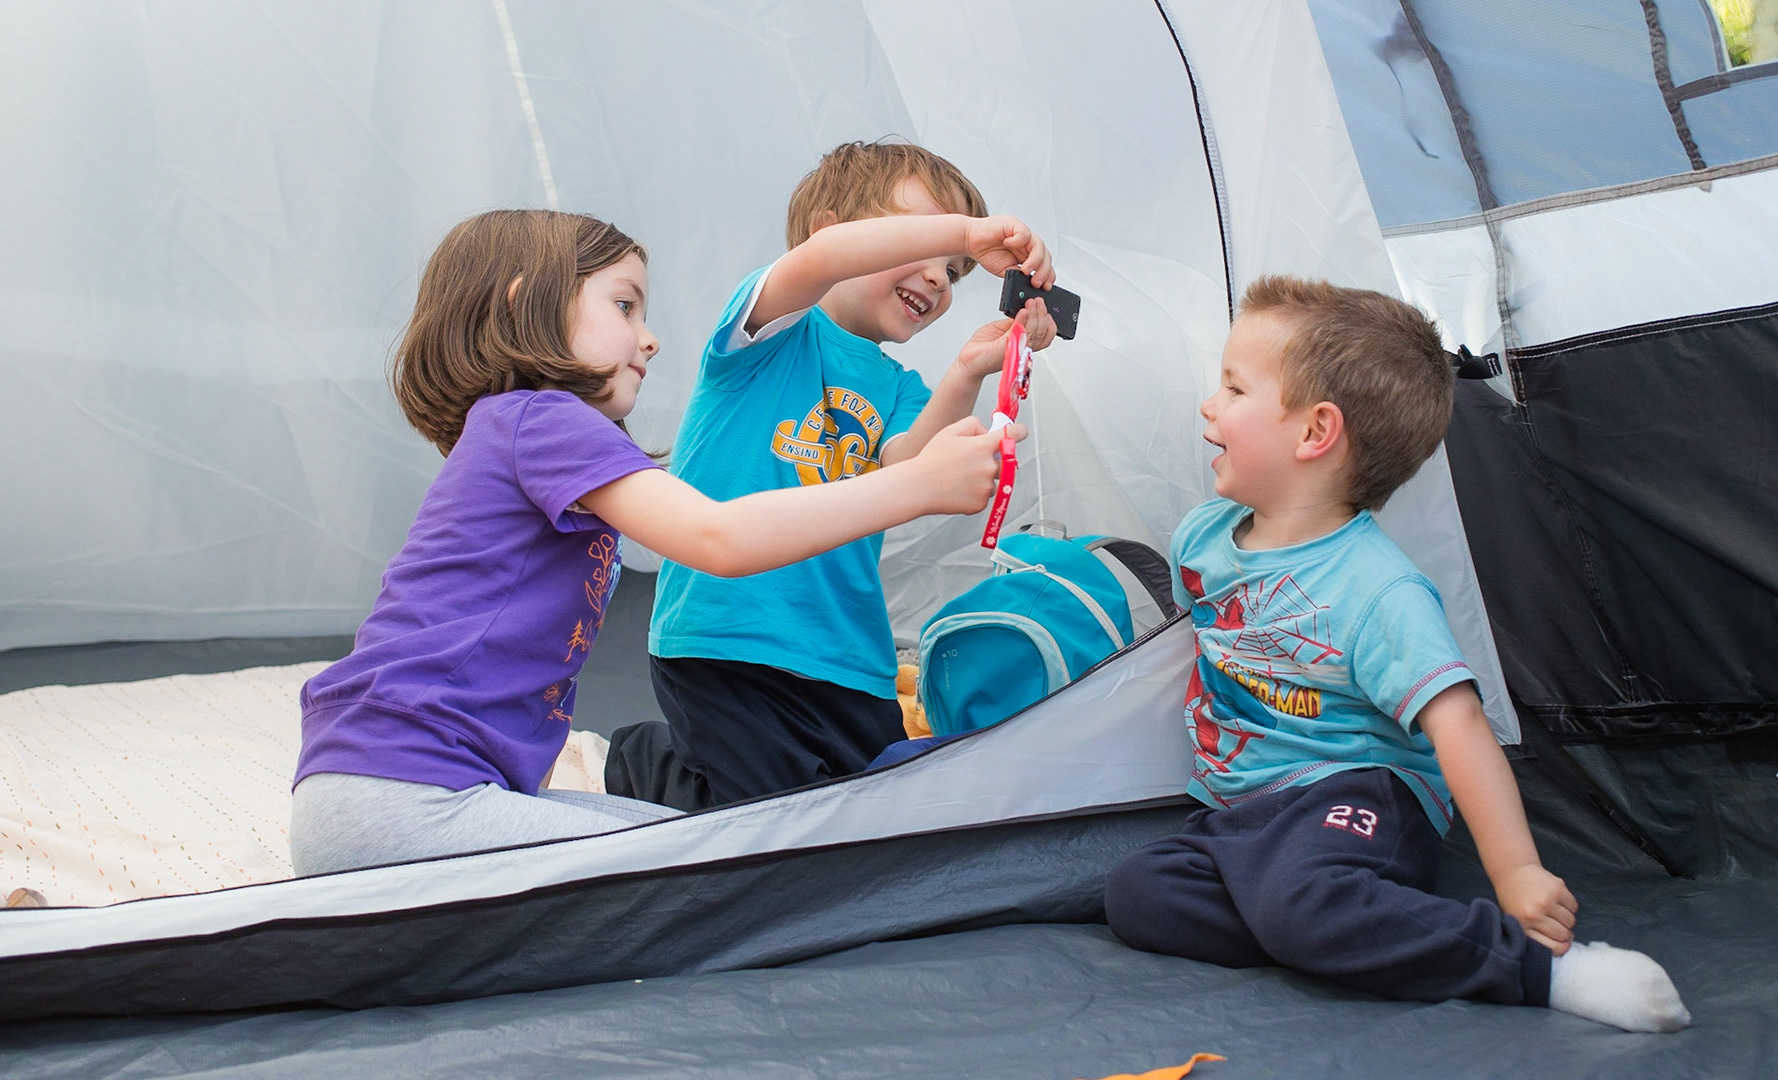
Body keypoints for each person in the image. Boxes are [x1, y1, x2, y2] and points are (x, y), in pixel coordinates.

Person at [289, 209, 1018, 875]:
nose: (651, 337)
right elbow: (719, 537)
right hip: (399, 797)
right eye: (624, 305)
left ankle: (642, 766)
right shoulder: (541, 419)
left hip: (421, 793)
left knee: (711, 841)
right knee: (723, 873)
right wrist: (917, 485)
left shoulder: (529, 427)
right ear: (525, 302)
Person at [1103, 276, 1691, 1033]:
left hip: (1354, 795)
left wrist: (1516, 870)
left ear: (1315, 432)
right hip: (1244, 810)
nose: (1209, 407)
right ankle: (1347, 933)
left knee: (1301, 903)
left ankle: (1536, 968)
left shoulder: (1378, 590)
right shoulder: (1204, 538)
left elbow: (1461, 726)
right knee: (1139, 896)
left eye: (1235, 388)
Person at [625, 141, 1058, 809]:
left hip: (849, 655)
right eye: (923, 241)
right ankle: (638, 762)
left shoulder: (899, 385)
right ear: (832, 231)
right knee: (770, 823)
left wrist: (970, 369)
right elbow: (822, 261)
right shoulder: (767, 332)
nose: (940, 275)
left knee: (863, 816)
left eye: (954, 268)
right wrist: (968, 232)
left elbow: (910, 471)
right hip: (731, 638)